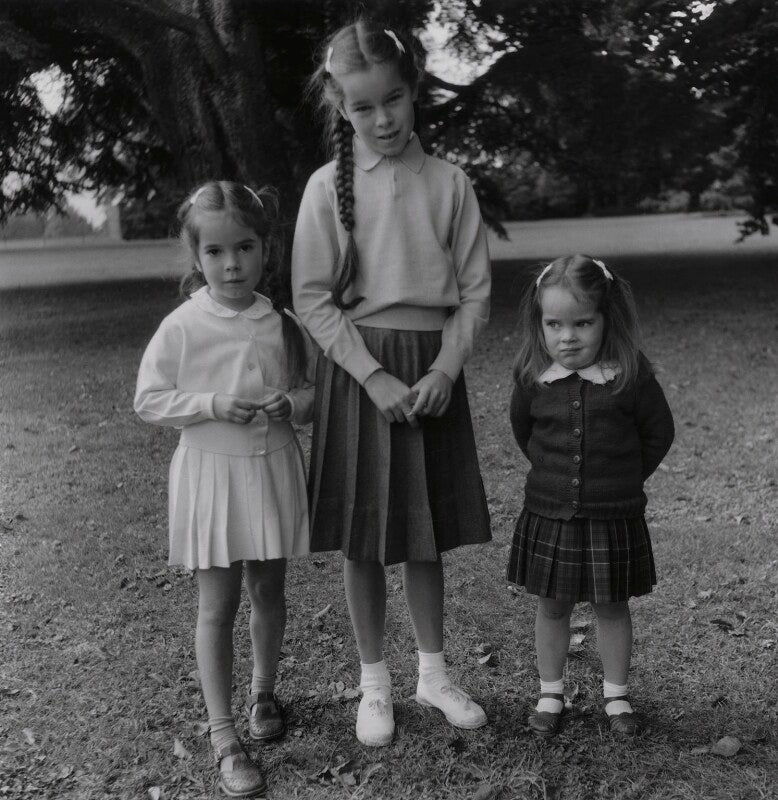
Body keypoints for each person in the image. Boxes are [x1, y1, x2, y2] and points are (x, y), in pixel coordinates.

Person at [291, 18, 492, 747]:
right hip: (360, 374)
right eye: (363, 106)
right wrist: (372, 375)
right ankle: (373, 683)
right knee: (364, 539)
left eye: (394, 100)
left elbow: (474, 292)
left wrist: (444, 367)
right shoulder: (325, 189)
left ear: (414, 93)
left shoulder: (449, 183)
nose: (382, 118)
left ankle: (433, 674)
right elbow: (312, 297)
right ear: (341, 107)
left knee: (425, 535)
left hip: (431, 372)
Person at [135, 181, 315, 798]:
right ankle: (222, 734)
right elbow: (149, 399)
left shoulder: (282, 322)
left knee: (269, 587)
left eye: (244, 247)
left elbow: (314, 394)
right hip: (212, 474)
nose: (231, 263)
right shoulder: (183, 325)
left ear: (267, 249)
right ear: (197, 258)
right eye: (215, 252)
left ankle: (265, 694)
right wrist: (210, 402)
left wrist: (291, 402)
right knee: (217, 605)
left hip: (270, 469)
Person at [508, 254, 674, 738]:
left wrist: (621, 477)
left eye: (583, 322)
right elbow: (526, 435)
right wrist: (555, 477)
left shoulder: (628, 373)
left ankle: (617, 696)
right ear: (539, 323)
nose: (568, 336)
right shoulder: (532, 377)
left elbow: (657, 433)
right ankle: (549, 692)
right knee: (553, 605)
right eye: (554, 323)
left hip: (612, 515)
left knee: (612, 606)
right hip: (551, 515)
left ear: (607, 319)